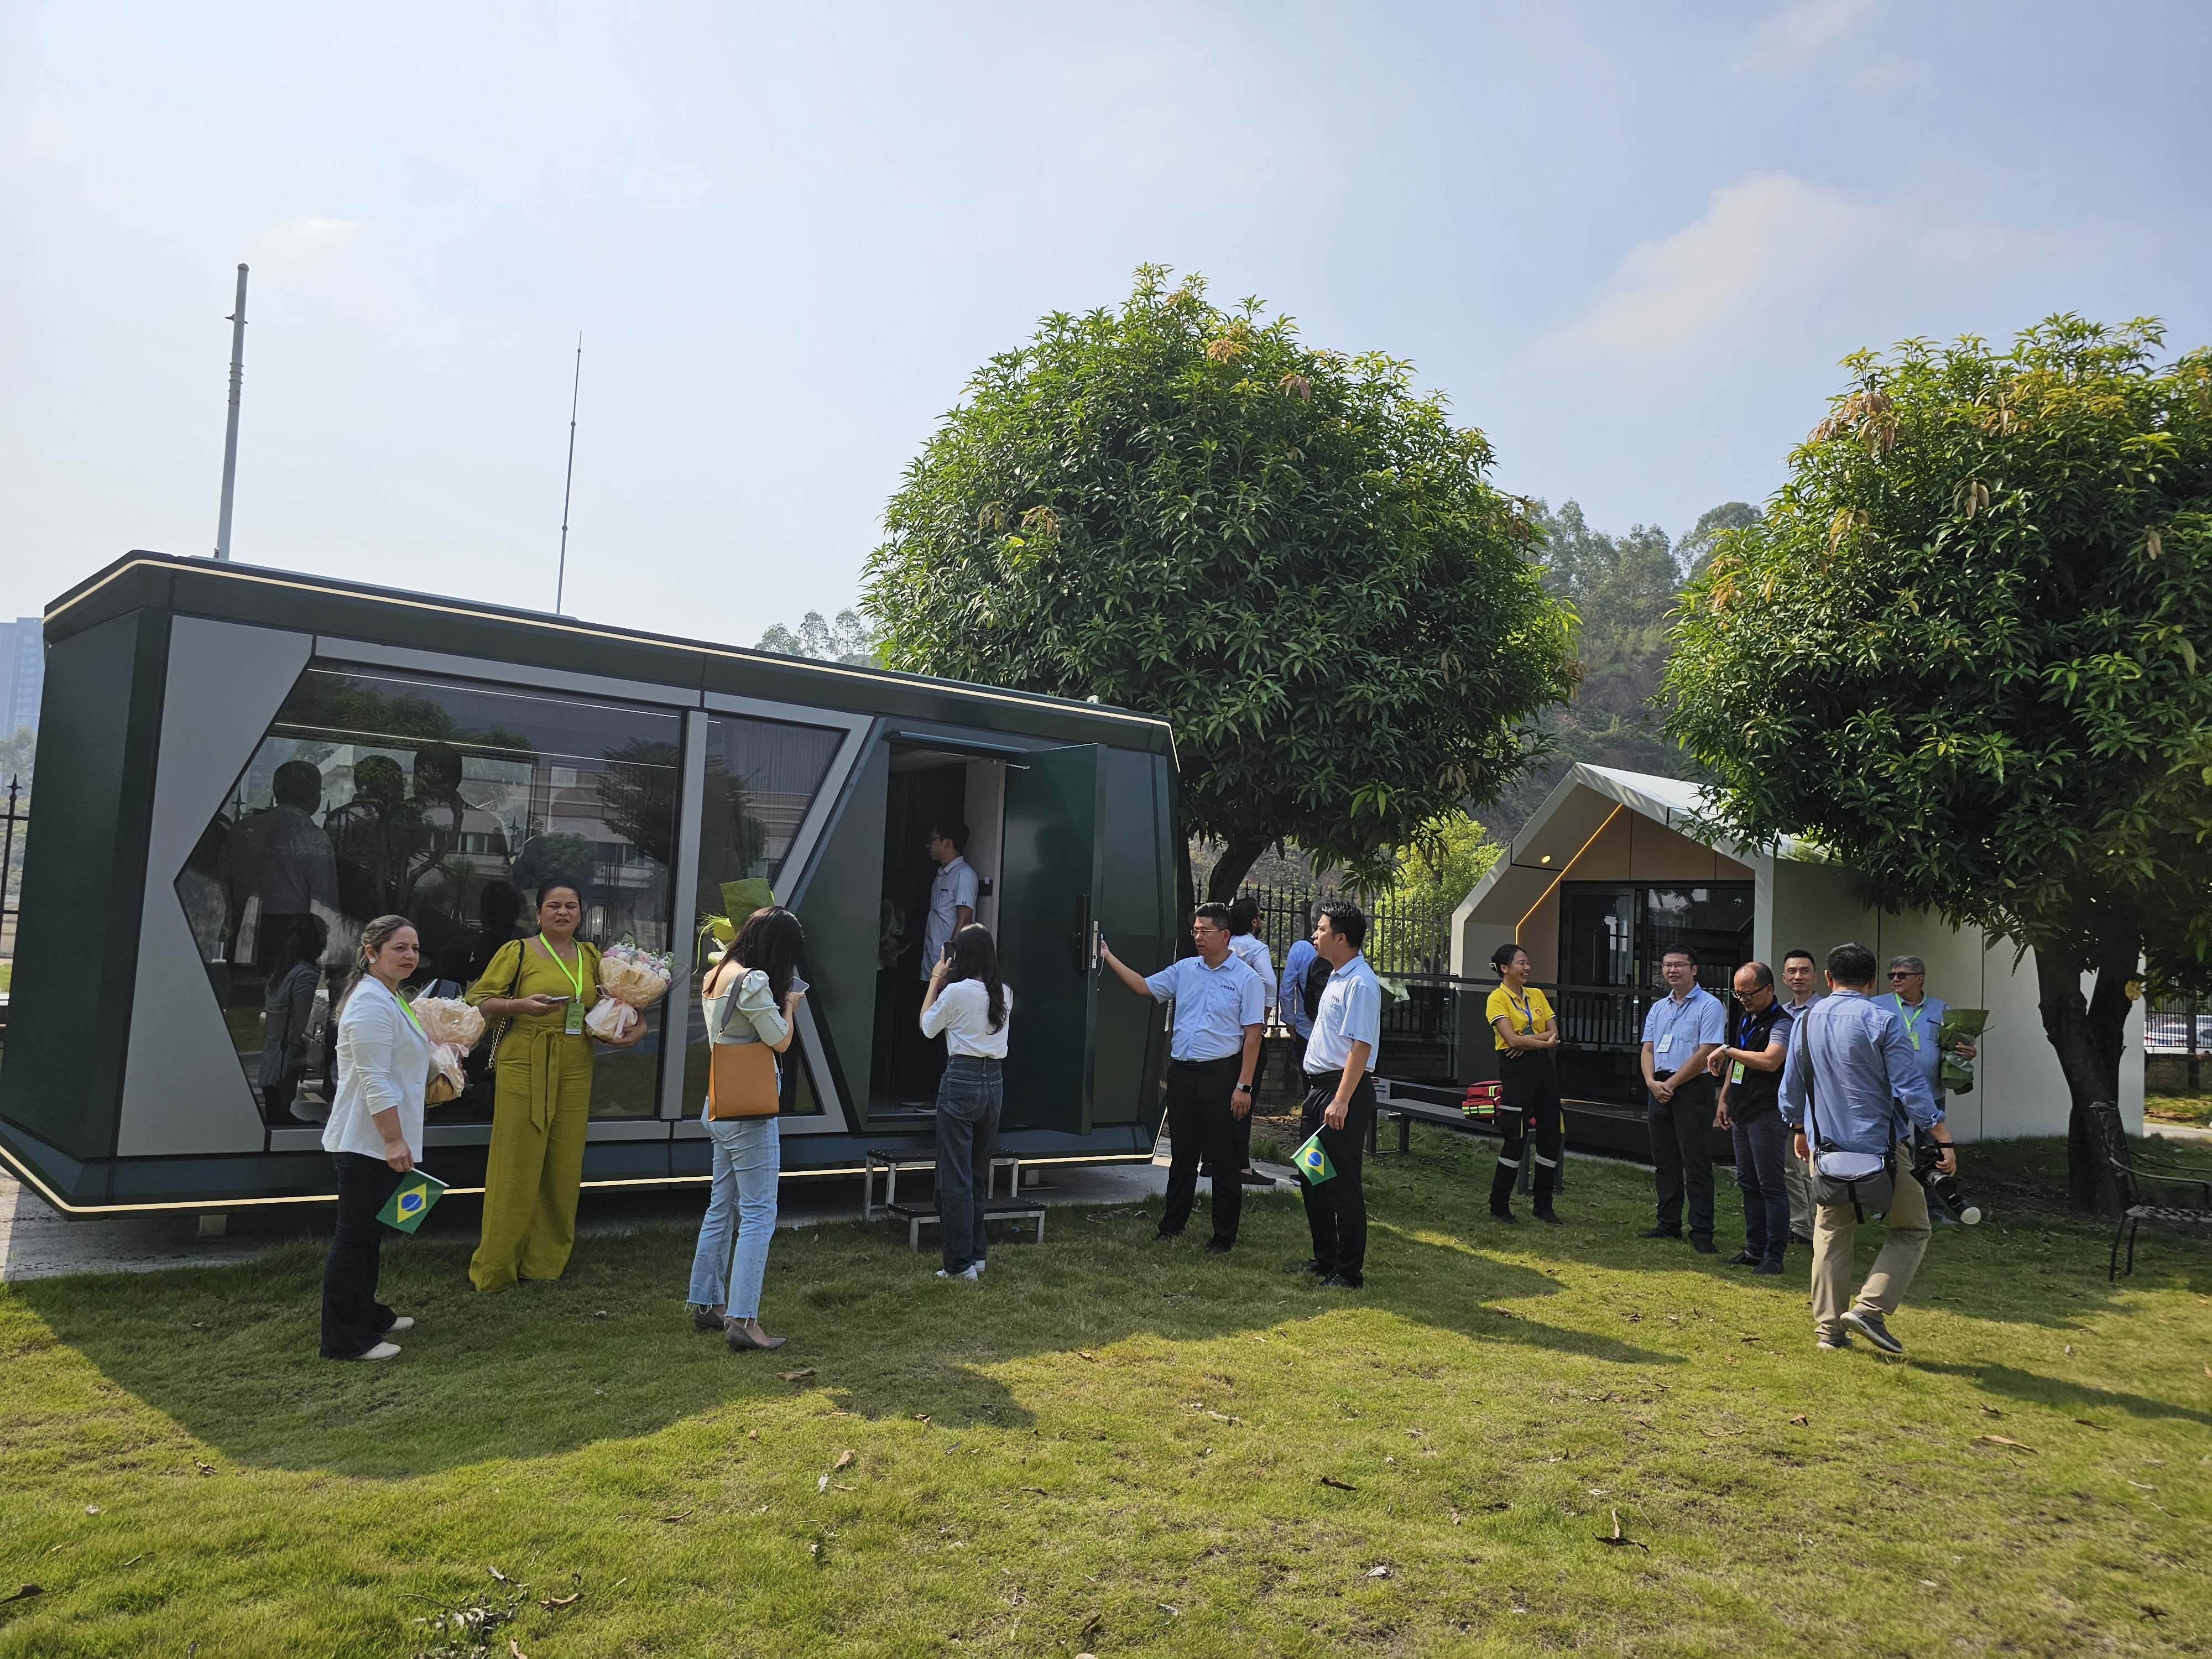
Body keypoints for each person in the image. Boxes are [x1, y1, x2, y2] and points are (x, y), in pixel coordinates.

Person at [465, 880, 645, 1292]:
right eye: (554, 906)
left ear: (581, 913)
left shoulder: (591, 956)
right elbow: (480, 1001)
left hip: (575, 1061)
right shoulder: (519, 952)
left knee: (562, 1162)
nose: (563, 912)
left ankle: (544, 1262)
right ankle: (496, 1267)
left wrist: (638, 1026)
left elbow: (618, 1002)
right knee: (516, 1161)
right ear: (539, 911)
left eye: (571, 906)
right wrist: (517, 1006)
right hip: (525, 1058)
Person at [1782, 941, 1954, 1354]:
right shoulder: (1882, 1019)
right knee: (1912, 1228)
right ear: (1874, 979)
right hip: (1881, 1149)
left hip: (1825, 1147)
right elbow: (1910, 1087)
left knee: (1830, 1233)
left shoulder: (1804, 1021)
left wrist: (1799, 1127)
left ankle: (1829, 1332)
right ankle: (1870, 1308)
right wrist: (1942, 1136)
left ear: (1827, 978)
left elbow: (1791, 1090)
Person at [1099, 902, 1264, 1254]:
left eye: (1204, 931)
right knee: (1183, 1156)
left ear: (1225, 935)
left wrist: (1243, 1087)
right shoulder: (1186, 969)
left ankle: (1223, 1237)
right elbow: (1144, 987)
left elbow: (1253, 1036)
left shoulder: (1246, 979)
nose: (1198, 936)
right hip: (1183, 1074)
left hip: (1222, 1075)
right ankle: (1172, 1226)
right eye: (1195, 930)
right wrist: (1108, 957)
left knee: (1223, 1159)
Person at [686, 906, 806, 1351]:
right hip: (750, 1109)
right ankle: (743, 1319)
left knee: (723, 1205)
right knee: (759, 1214)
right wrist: (790, 1005)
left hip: (719, 1101)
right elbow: (780, 1040)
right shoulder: (752, 981)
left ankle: (707, 1302)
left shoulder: (718, 973)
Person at [319, 914, 429, 1362]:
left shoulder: (390, 996)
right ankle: (344, 1339)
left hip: (380, 1137)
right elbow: (374, 1080)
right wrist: (393, 1141)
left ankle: (370, 1314)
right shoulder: (369, 1003)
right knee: (354, 1236)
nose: (410, 956)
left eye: (415, 948)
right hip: (366, 1140)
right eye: (399, 948)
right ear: (371, 953)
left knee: (370, 1235)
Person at [1294, 900, 1384, 1287]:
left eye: (1321, 929)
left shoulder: (1362, 982)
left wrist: (1342, 1100)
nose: (1315, 935)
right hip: (1320, 1090)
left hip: (1341, 1091)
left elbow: (1361, 1047)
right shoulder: (1336, 975)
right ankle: (1324, 1258)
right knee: (1313, 1174)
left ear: (1341, 938)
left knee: (1343, 1183)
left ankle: (1349, 1272)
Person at [921, 923, 1013, 1281]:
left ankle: (959, 1265)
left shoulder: (956, 992)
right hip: (994, 1082)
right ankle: (976, 1254)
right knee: (976, 1173)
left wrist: (934, 980)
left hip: (960, 1079)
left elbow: (928, 1027)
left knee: (954, 1175)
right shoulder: (1004, 992)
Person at [1707, 961, 1795, 1275]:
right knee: (1747, 1182)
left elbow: (1771, 1061)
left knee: (1771, 1185)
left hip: (1768, 1112)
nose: (1743, 999)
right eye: (1738, 993)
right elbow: (1738, 1061)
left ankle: (1774, 1255)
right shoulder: (1746, 1018)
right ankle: (1754, 1249)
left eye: (1748, 993)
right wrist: (1725, 1096)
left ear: (1769, 990)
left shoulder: (1782, 1023)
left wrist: (1729, 1051)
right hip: (1742, 1110)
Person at [1639, 946, 1726, 1253]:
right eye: (1667, 965)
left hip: (1692, 1088)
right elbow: (1648, 1048)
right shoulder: (1658, 1008)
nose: (1672, 970)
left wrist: (1672, 1084)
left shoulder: (1710, 1005)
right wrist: (1652, 1083)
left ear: (1694, 969)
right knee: (1665, 1161)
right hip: (1659, 1089)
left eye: (1679, 965)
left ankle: (1702, 1231)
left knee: (1697, 1162)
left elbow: (1707, 1052)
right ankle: (1668, 1223)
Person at [1485, 942, 1562, 1225]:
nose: (1527, 968)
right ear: (1505, 969)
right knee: (1515, 1137)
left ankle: (1544, 1205)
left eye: (1528, 962)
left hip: (1544, 1069)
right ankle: (1500, 1204)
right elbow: (1511, 1040)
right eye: (1521, 963)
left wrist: (1528, 1042)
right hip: (1516, 1071)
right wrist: (1534, 1041)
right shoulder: (1497, 998)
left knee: (1551, 1135)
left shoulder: (1537, 995)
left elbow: (1553, 1032)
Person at [1223, 896, 1276, 1185]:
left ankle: (1211, 1160)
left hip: (1224, 1035)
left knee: (1219, 1099)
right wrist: (1263, 1019)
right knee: (1244, 1101)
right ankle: (1241, 1166)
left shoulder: (1225, 945)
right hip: (1247, 1033)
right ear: (1254, 922)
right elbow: (1269, 982)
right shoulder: (1257, 948)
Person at [259, 917, 326, 1124]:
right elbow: (304, 1021)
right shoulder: (305, 975)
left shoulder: (282, 972)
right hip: (285, 1060)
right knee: (281, 1118)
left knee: (276, 1116)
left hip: (272, 1058)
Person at [1778, 949, 1822, 1245]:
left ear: (1816, 976)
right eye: (1792, 971)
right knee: (1790, 1169)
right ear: (1784, 978)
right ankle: (1800, 1227)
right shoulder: (1779, 1014)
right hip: (1789, 1101)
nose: (1798, 976)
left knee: (1815, 1169)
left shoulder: (1824, 1012)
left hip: (1818, 1102)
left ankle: (1821, 1229)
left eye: (1804, 970)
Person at [920, 823, 979, 979]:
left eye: (932, 839)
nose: (928, 845)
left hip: (946, 969)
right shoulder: (941, 875)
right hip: (932, 964)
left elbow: (965, 920)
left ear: (948, 843)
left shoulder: (964, 874)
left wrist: (951, 963)